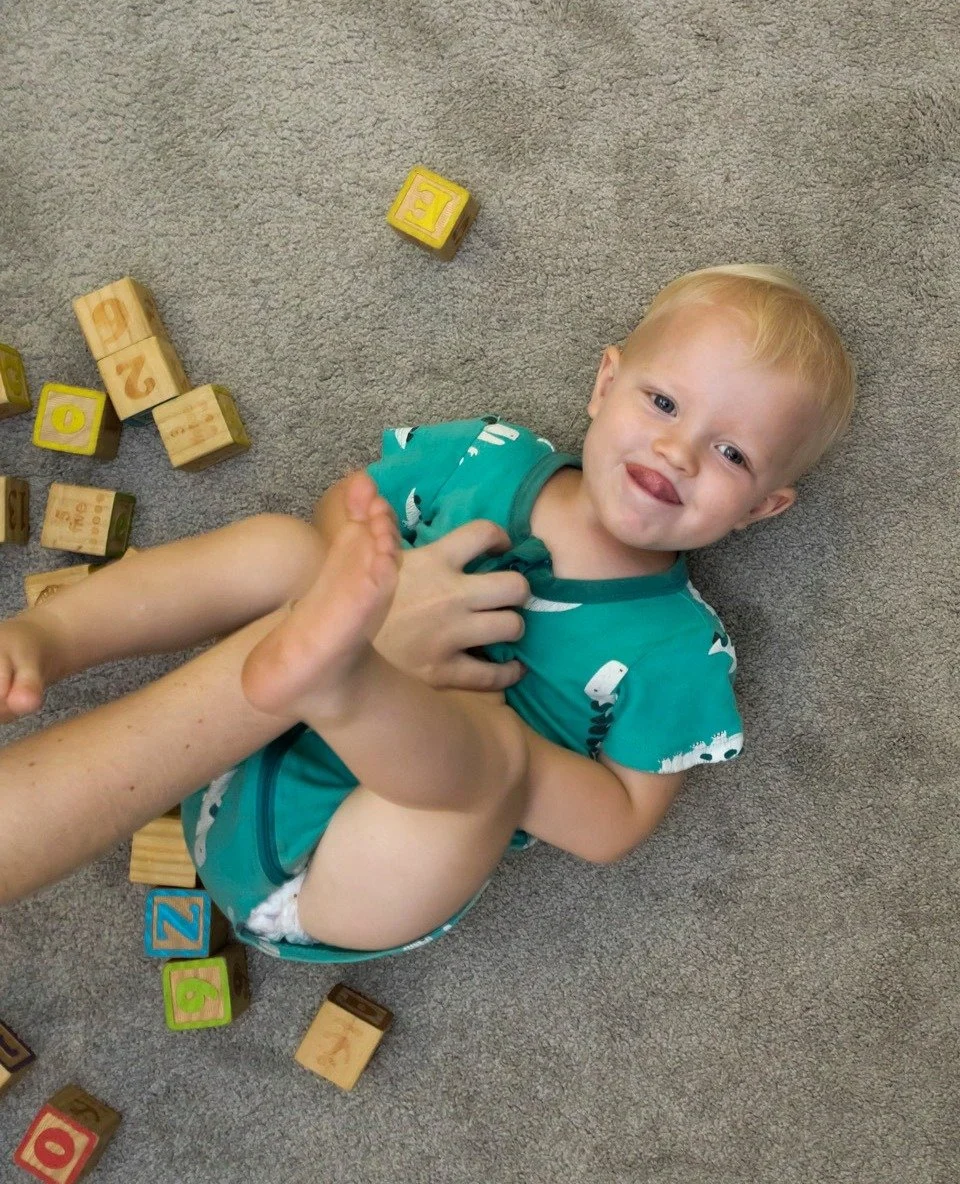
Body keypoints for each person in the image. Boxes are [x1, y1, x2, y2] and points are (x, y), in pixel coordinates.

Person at [0, 263, 856, 965]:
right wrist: (369, 572)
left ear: (763, 508)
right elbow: (346, 509)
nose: (678, 451)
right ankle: (51, 635)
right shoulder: (489, 456)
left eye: (731, 453)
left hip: (345, 872)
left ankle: (343, 685)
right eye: (663, 403)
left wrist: (495, 752)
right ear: (606, 383)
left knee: (487, 772)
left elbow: (617, 825)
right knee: (288, 549)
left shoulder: (679, 652)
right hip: (230, 757)